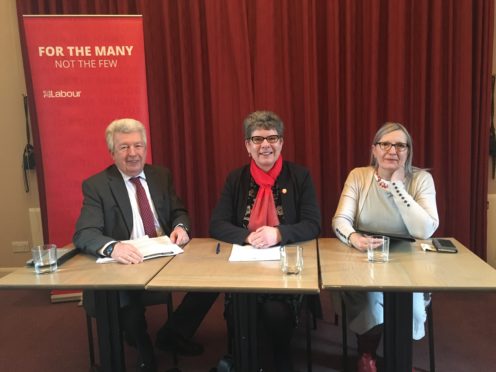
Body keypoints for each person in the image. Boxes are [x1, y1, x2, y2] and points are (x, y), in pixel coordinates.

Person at [73, 118, 217, 372]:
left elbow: (179, 211)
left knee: (211, 281)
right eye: (124, 147)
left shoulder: (160, 175)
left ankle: (173, 333)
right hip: (128, 262)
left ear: (146, 147)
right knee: (125, 296)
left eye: (138, 146)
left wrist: (181, 228)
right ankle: (143, 350)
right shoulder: (96, 185)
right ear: (112, 152)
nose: (133, 154)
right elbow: (85, 233)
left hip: (166, 254)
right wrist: (113, 247)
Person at [209, 110, 321, 372]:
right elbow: (217, 223)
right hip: (244, 264)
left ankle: (280, 360)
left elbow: (313, 223)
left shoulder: (299, 176)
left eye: (272, 138)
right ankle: (244, 358)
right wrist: (247, 236)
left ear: (281, 142)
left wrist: (278, 233)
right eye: (257, 139)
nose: (265, 145)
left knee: (275, 312)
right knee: (239, 307)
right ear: (247, 145)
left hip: (287, 268)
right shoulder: (235, 179)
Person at [332, 122, 439, 372]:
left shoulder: (422, 179)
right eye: (385, 144)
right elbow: (340, 220)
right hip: (364, 256)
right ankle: (367, 353)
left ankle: (400, 359)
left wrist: (397, 187)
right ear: (374, 149)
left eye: (401, 145)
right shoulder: (359, 176)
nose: (393, 150)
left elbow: (424, 230)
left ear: (408, 151)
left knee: (407, 302)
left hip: (408, 261)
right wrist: (354, 238)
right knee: (370, 302)